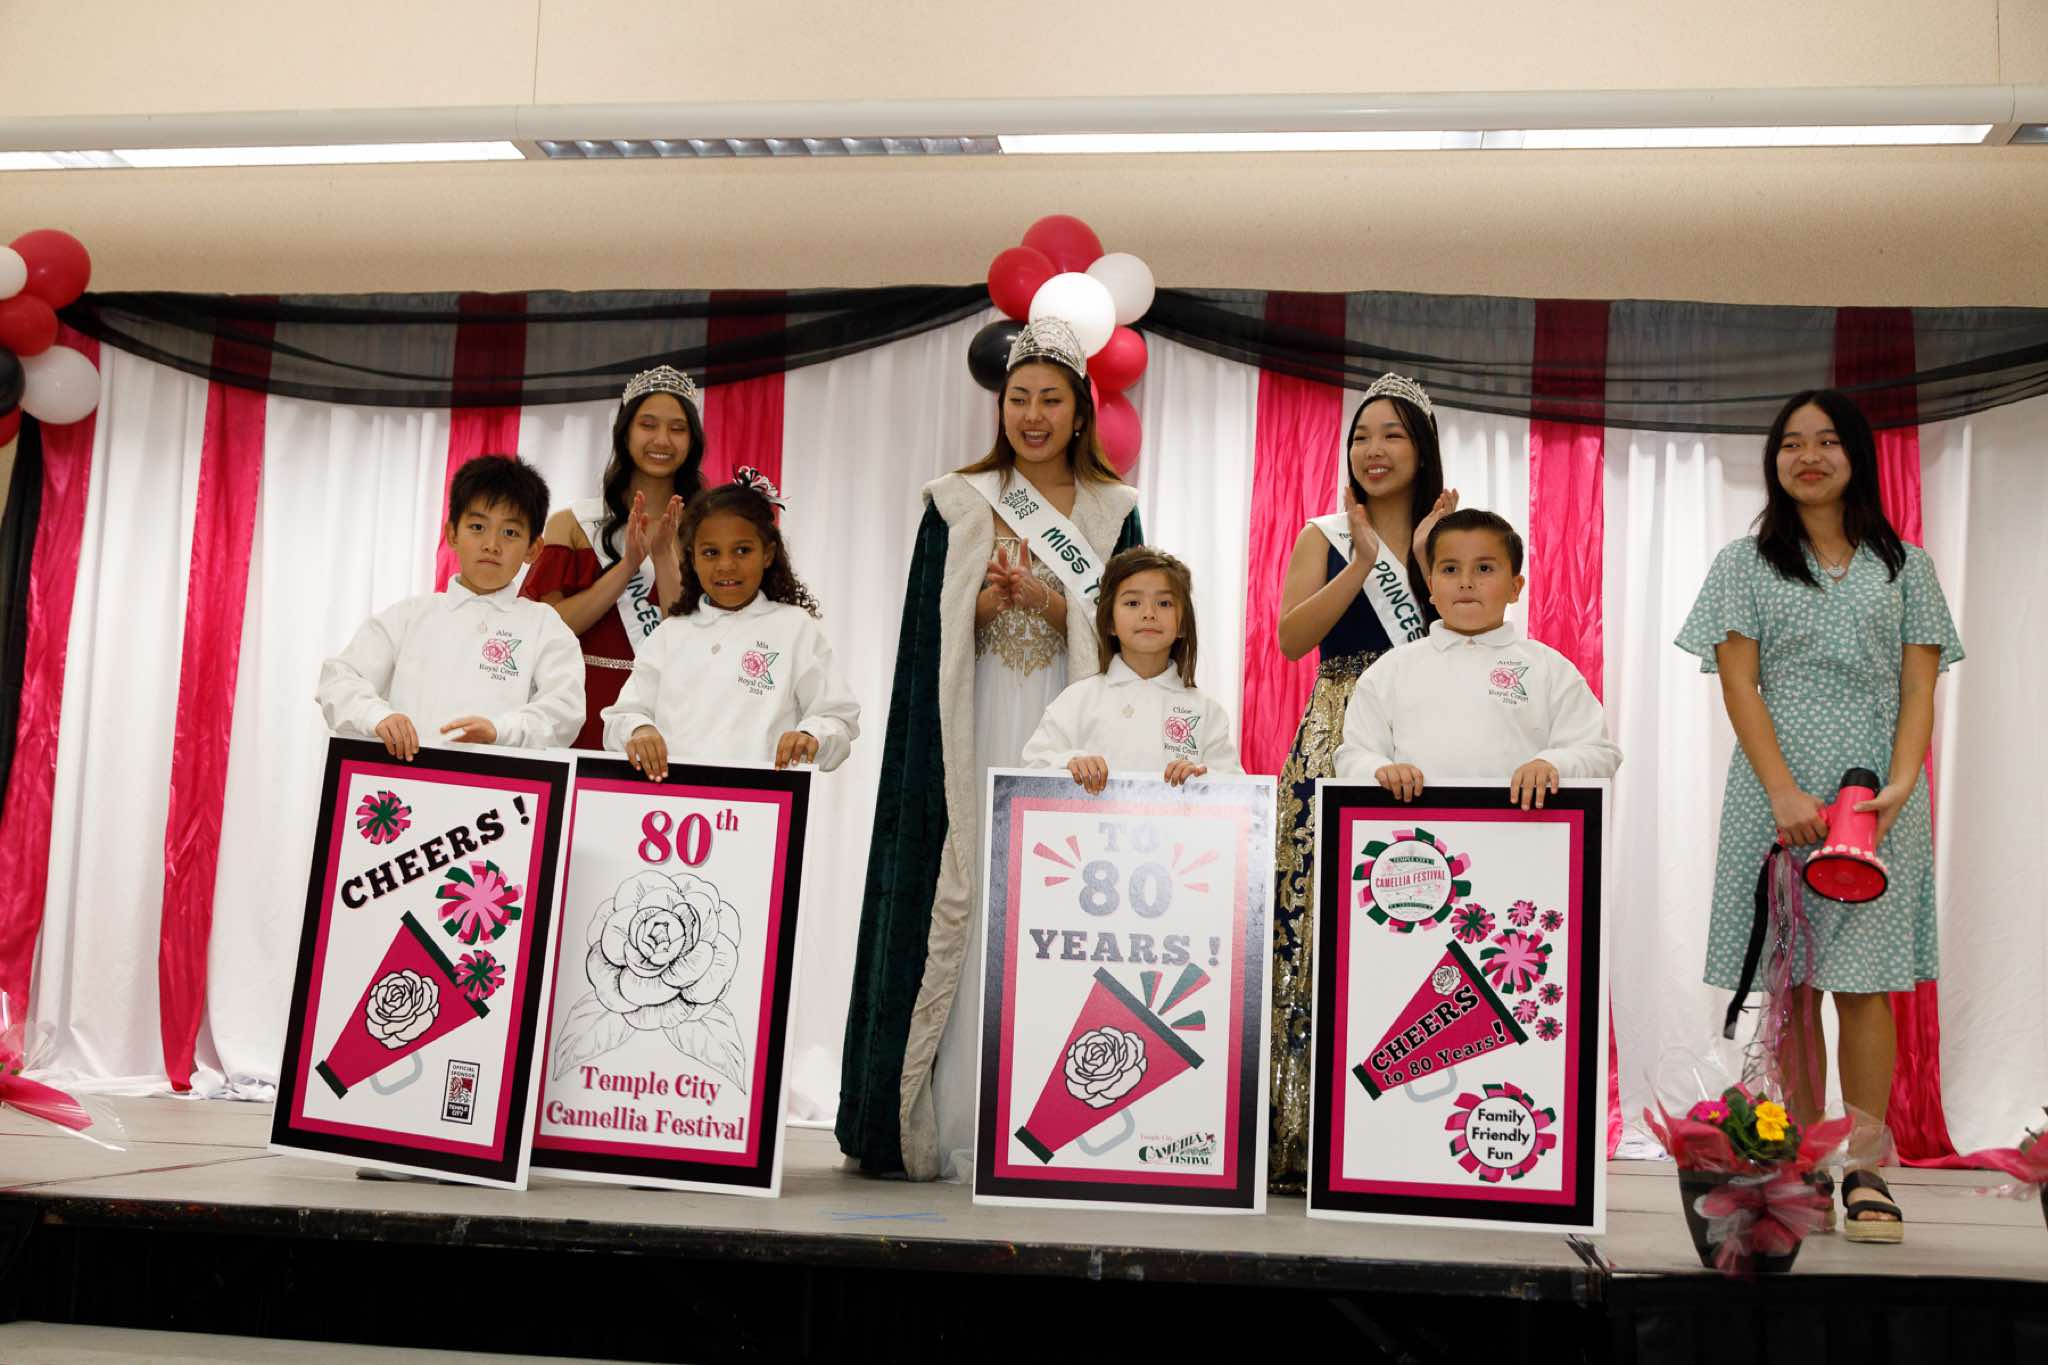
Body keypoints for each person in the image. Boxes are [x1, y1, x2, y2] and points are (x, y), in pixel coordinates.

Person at [837, 318, 1144, 1181]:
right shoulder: (956, 500)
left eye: (1051, 400)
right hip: (971, 726)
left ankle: (1059, 1107)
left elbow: (1138, 631)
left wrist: (1054, 606)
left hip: (1067, 722)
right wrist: (976, 609)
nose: (1033, 416)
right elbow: (923, 634)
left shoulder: (1112, 510)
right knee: (968, 888)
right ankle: (948, 1109)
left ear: (1080, 412)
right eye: (1019, 399)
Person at [1675, 389, 1962, 1245]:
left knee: (1867, 986)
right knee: (1794, 986)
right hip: (1777, 797)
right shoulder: (1743, 563)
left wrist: (1900, 785)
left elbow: (1919, 689)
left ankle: (1867, 1166)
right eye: (1791, 443)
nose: (1808, 456)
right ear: (1774, 461)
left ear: (1856, 455)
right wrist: (1781, 791)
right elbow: (1739, 685)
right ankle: (1803, 1163)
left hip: (1877, 802)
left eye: (1827, 440)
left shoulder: (1906, 566)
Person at [1266, 372, 1456, 1187]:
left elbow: (1467, 633)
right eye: (1361, 436)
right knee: (1317, 919)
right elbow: (1290, 638)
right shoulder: (1323, 532)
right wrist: (1364, 563)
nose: (1373, 450)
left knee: (1416, 914)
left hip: (1427, 733)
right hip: (1337, 729)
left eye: (1392, 435)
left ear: (1422, 448)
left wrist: (1424, 558)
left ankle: (1401, 1126)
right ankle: (1302, 1127)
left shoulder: (1452, 533)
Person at [1333, 507, 1622, 797]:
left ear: (1515, 587)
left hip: (1522, 823)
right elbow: (1353, 755)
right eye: (1450, 569)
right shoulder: (1391, 670)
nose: (1466, 582)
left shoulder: (1549, 668)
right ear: (1431, 586)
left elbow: (1599, 752)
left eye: (1484, 568)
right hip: (1415, 825)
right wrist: (1380, 769)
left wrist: (1552, 764)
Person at [317, 454, 582, 755]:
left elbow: (565, 710)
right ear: (452, 534)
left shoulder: (545, 626)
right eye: (477, 527)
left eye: (510, 532)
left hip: (497, 782)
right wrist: (378, 717)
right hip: (405, 777)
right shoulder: (409, 615)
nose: (491, 545)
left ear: (533, 549)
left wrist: (500, 731)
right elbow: (338, 680)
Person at [602, 471, 859, 775]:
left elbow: (837, 718)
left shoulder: (794, 628)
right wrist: (640, 730)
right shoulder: (670, 633)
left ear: (768, 554)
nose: (726, 565)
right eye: (711, 553)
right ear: (693, 560)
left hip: (763, 797)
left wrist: (811, 736)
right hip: (673, 799)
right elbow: (622, 717)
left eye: (742, 550)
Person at [522, 365, 705, 747]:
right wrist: (626, 568)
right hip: (585, 707)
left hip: (670, 713)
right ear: (625, 432)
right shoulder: (573, 524)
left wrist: (663, 556)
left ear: (692, 440)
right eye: (648, 424)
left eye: (677, 428)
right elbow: (545, 627)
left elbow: (695, 637)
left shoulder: (707, 532)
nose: (662, 439)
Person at [1022, 546, 1241, 787]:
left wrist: (1201, 779)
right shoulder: (1077, 700)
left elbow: (1235, 788)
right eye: (1133, 602)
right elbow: (1032, 766)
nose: (1149, 613)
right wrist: (1070, 764)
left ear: (1182, 625)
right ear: (1110, 622)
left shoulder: (1206, 711)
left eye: (1164, 603)